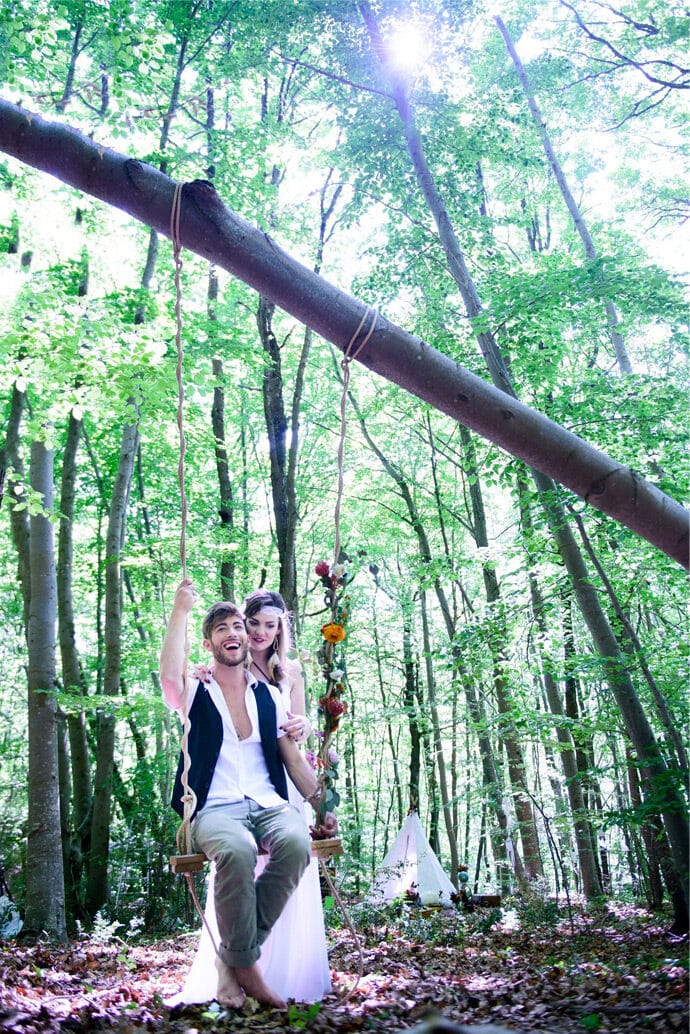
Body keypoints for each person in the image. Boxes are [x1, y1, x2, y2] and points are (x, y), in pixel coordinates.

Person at [160, 579, 337, 1010]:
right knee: (237, 851)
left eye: (237, 626)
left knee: (297, 845)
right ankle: (251, 974)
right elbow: (168, 676)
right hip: (216, 808)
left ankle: (232, 962)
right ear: (209, 643)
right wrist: (180, 611)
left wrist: (323, 806)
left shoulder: (269, 696)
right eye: (222, 629)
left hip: (268, 802)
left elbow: (294, 760)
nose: (234, 633)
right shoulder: (196, 690)